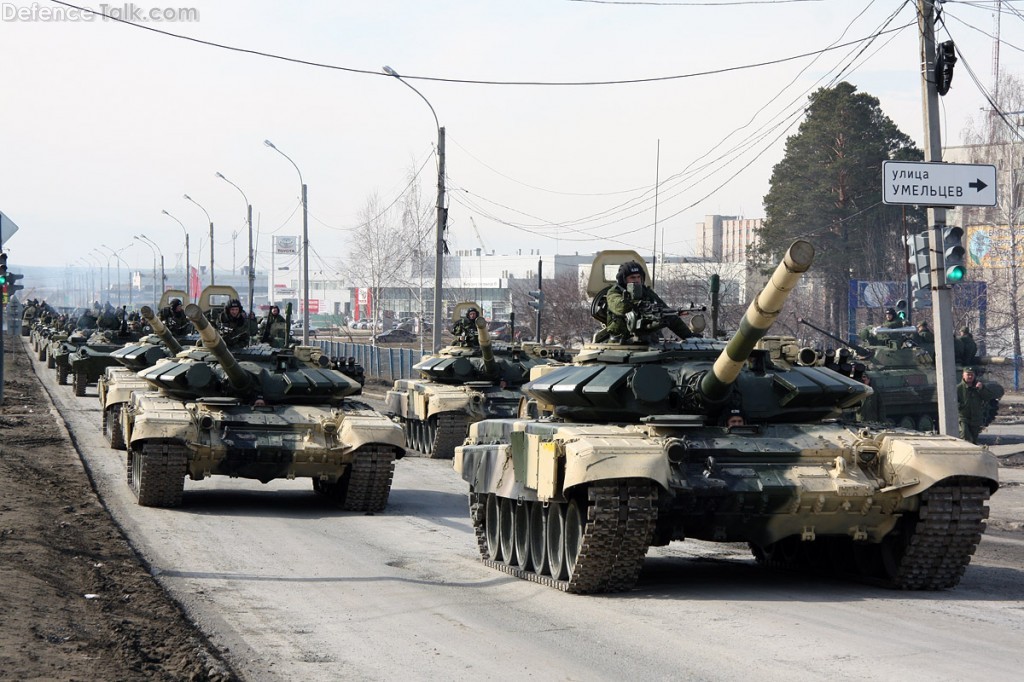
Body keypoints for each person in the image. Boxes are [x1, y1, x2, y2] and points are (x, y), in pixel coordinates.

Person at [602, 261, 694, 342]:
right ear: (623, 280)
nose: (637, 280)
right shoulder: (614, 292)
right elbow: (620, 307)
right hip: (620, 344)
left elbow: (667, 312)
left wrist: (690, 337)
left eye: (639, 277)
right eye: (632, 277)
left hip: (649, 343)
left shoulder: (646, 292)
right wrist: (638, 304)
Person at [957, 367, 999, 444]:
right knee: (964, 436)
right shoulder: (958, 388)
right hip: (963, 417)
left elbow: (988, 397)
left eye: (971, 375)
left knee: (974, 439)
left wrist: (982, 389)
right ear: (963, 375)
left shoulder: (979, 386)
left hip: (976, 417)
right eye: (968, 374)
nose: (970, 376)